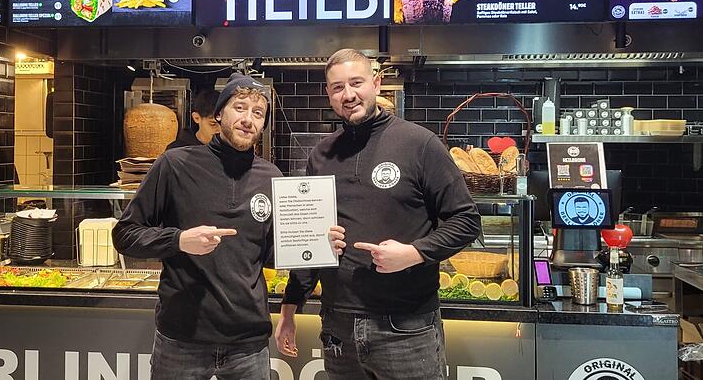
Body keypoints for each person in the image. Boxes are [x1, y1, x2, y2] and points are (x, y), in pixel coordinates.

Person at [275, 49, 482, 380]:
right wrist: (289, 308)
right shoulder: (321, 155)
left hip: (405, 327)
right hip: (337, 326)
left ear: (376, 83)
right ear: (329, 94)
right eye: (338, 87)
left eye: (356, 83)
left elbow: (466, 220)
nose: (349, 95)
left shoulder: (420, 144)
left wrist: (414, 253)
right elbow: (310, 237)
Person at [112, 73, 279, 380]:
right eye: (240, 108)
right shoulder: (175, 164)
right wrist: (179, 240)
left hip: (249, 341)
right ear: (219, 114)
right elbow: (125, 234)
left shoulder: (271, 177)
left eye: (258, 113)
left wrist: (315, 243)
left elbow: (269, 255)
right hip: (182, 339)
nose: (248, 119)